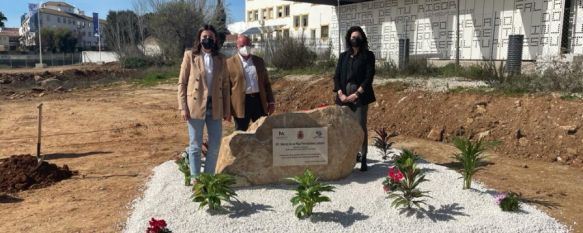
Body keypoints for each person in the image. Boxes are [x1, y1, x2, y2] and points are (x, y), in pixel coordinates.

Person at [177, 24, 231, 184]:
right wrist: (182, 107)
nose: (207, 40)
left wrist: (227, 110)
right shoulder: (190, 56)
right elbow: (182, 83)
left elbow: (226, 86)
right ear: (199, 39)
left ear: (215, 40)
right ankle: (195, 180)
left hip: (215, 106)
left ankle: (208, 179)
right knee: (195, 145)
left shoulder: (221, 59)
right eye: (204, 37)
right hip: (195, 106)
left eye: (211, 38)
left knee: (215, 145)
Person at [333, 26, 376, 172]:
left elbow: (369, 77)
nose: (355, 39)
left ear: (362, 38)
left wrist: (357, 94)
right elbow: (337, 76)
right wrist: (340, 93)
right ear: (348, 39)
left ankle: (363, 157)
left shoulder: (368, 55)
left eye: (357, 37)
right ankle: (349, 155)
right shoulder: (343, 56)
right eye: (352, 37)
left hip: (360, 95)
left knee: (360, 126)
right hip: (343, 95)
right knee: (344, 126)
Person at [227, 34, 275, 131]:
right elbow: (226, 88)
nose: (246, 48)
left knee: (262, 131)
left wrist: (271, 101)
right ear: (237, 46)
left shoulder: (259, 61)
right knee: (240, 132)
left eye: (248, 45)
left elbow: (266, 83)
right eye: (242, 46)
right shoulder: (229, 63)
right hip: (241, 103)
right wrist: (227, 109)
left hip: (258, 101)